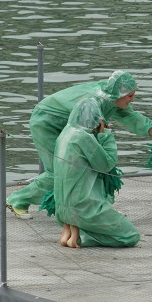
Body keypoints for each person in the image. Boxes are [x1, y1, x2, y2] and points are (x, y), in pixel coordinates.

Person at [7, 70, 152, 217]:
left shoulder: (113, 99)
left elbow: (138, 120)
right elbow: (82, 129)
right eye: (130, 96)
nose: (132, 100)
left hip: (70, 126)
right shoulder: (96, 102)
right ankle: (18, 200)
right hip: (45, 122)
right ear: (120, 94)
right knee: (58, 170)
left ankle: (99, 207)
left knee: (90, 167)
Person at [53, 97, 141, 248]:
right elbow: (106, 164)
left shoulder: (65, 133)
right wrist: (105, 135)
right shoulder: (83, 137)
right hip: (83, 207)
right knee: (131, 236)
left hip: (62, 207)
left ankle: (72, 230)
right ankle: (81, 237)